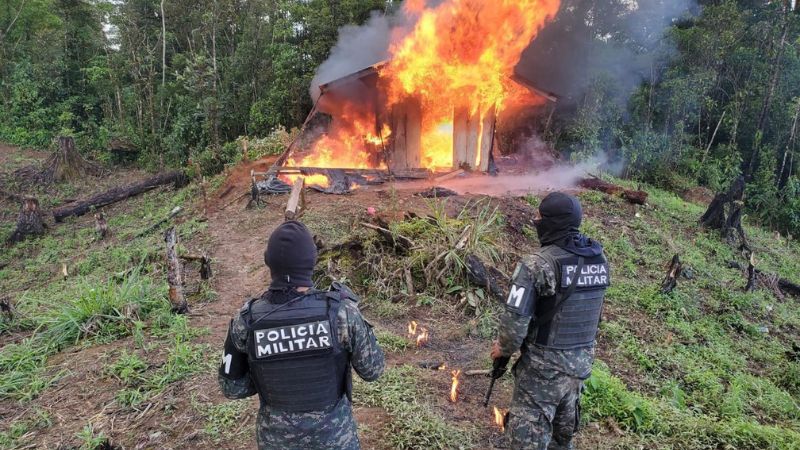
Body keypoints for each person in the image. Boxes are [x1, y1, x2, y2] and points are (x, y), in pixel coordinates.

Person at [218, 220, 385, 450]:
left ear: (268, 262)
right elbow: (373, 370)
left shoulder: (247, 320)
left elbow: (232, 388)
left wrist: (270, 376)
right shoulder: (341, 313)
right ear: (312, 262)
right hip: (336, 441)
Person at [490, 192, 610, 450]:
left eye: (540, 217)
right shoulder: (599, 260)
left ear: (551, 222)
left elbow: (513, 327)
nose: (536, 221)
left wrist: (503, 349)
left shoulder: (536, 265)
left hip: (542, 375)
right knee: (561, 441)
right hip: (578, 371)